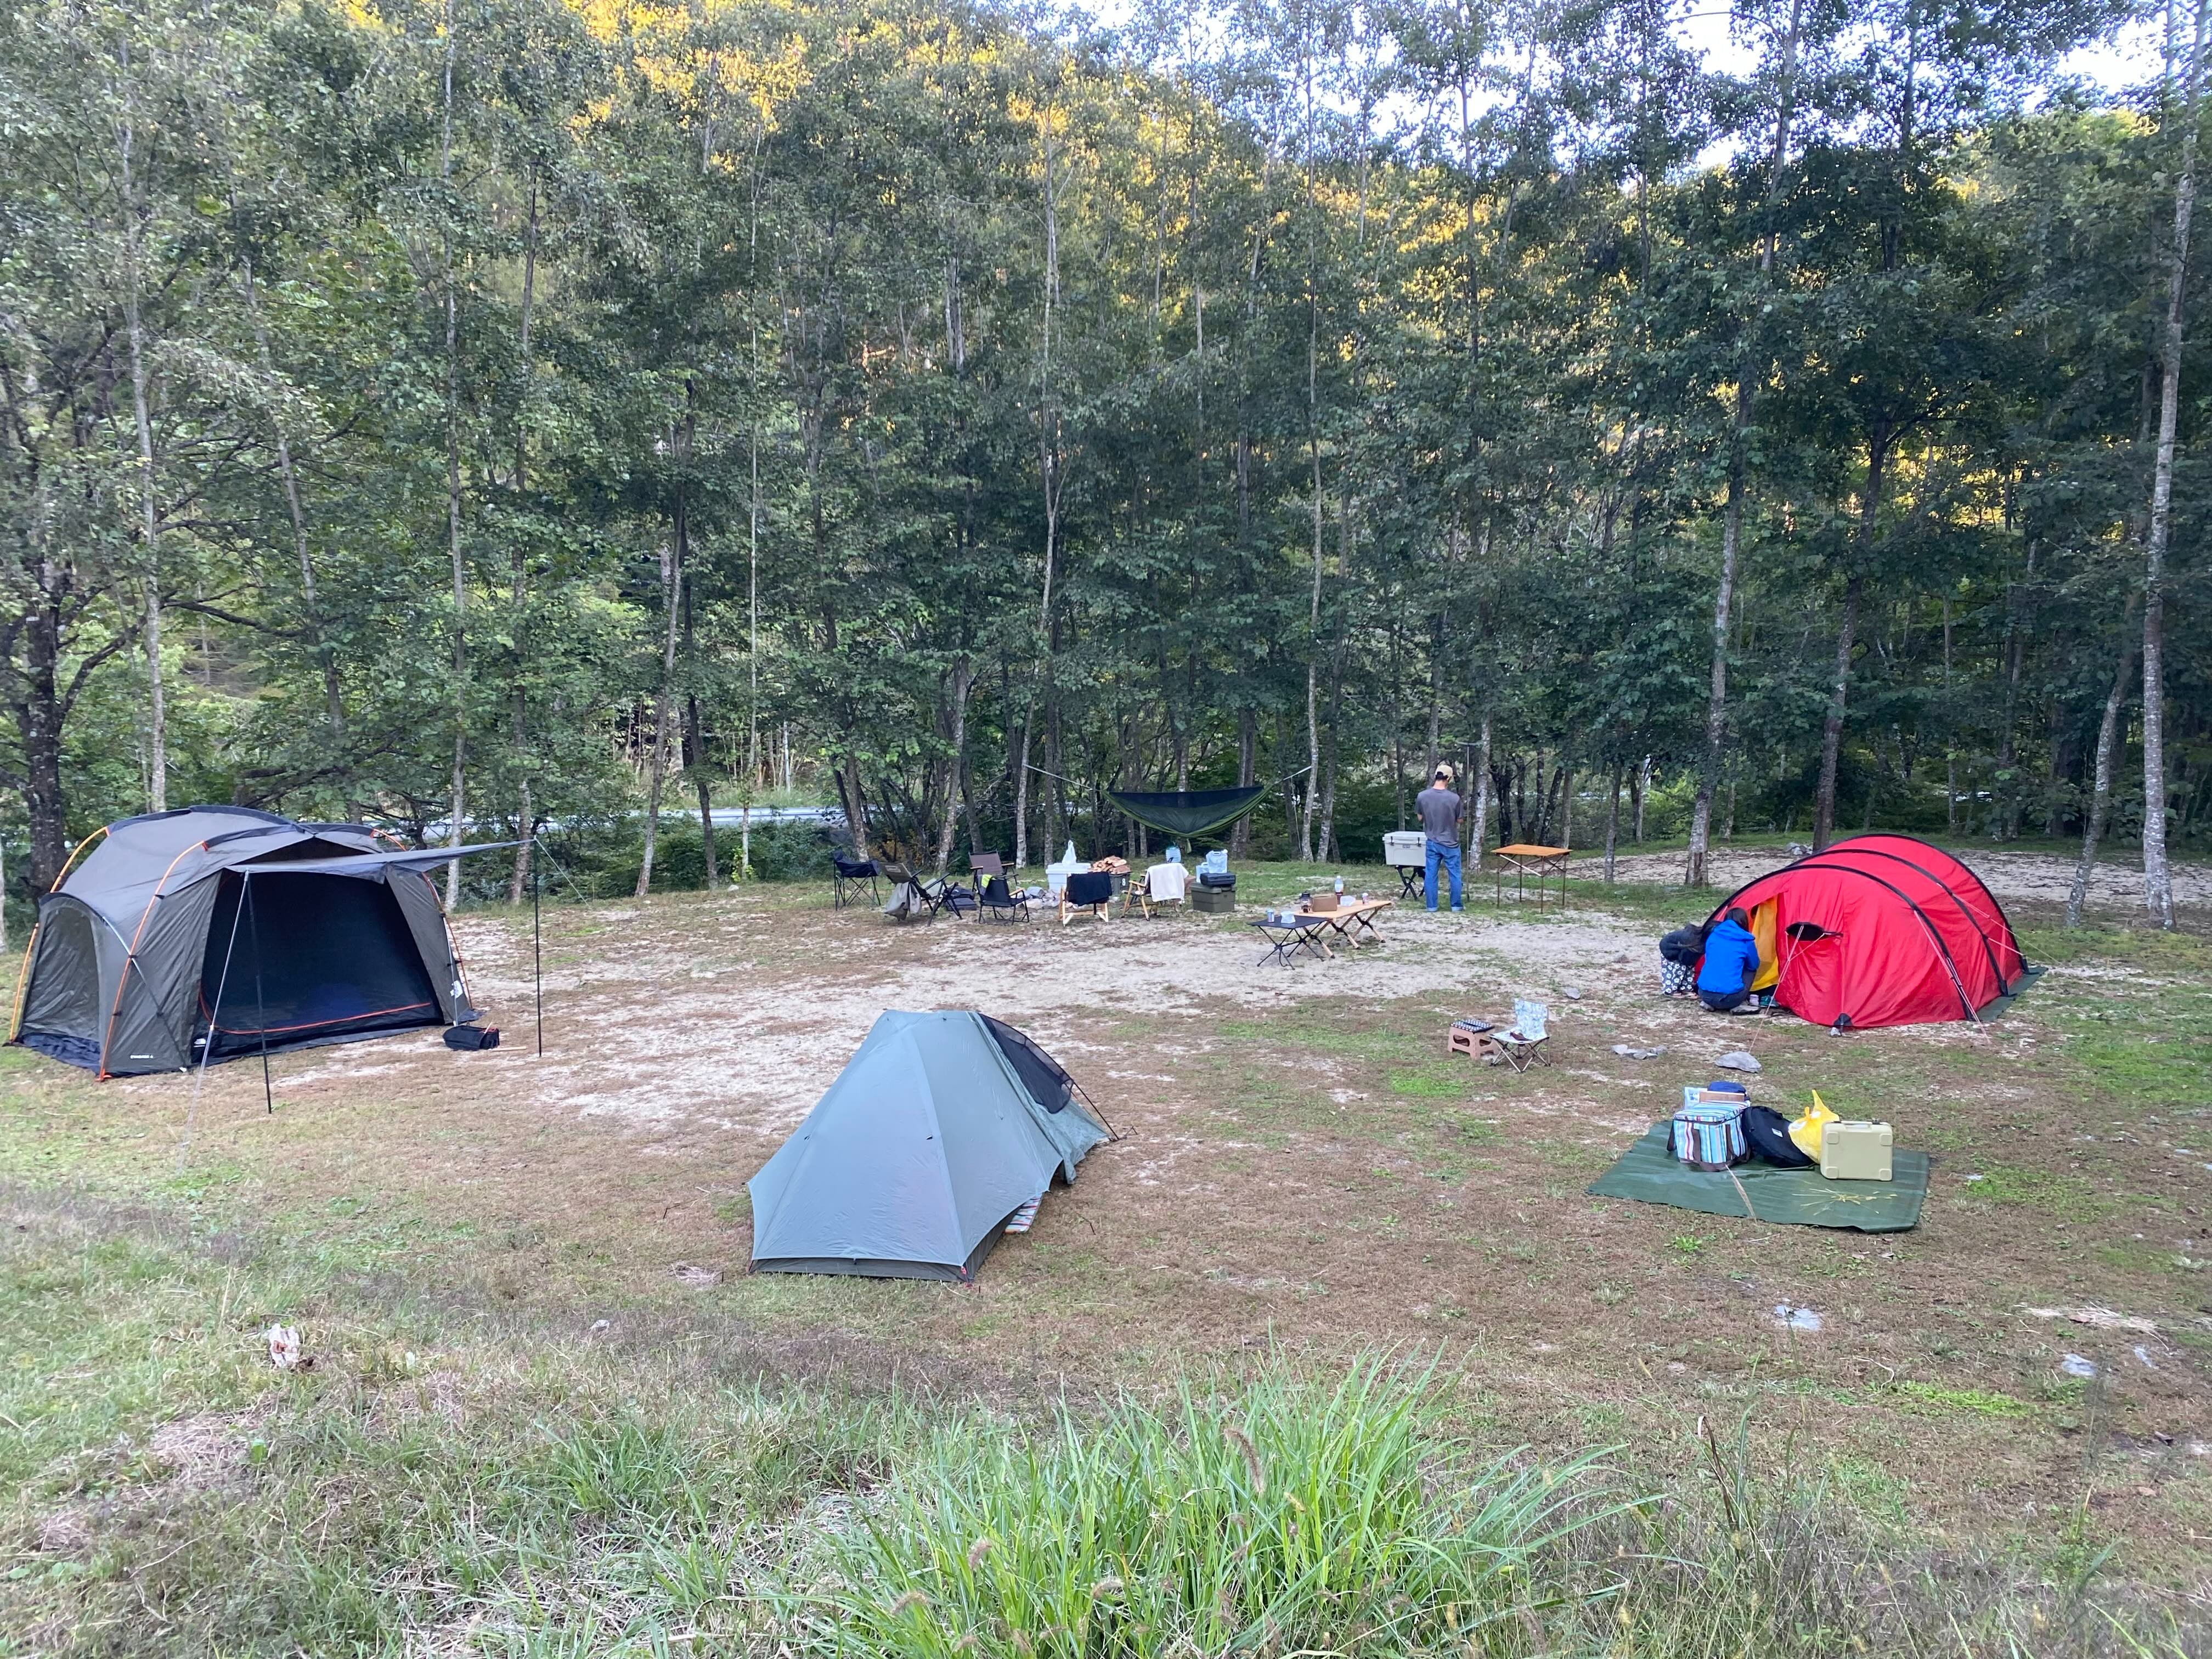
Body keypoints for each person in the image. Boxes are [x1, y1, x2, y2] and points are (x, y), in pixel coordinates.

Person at [1414, 764, 1464, 912]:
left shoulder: (1422, 796)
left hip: (1432, 841)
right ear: (1448, 779)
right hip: (1451, 843)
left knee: (1431, 874)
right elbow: (1460, 820)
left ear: (1436, 776)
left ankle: (1431, 906)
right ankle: (1456, 906)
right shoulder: (1454, 798)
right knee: (1455, 874)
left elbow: (1420, 818)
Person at [1696, 907, 1763, 1013]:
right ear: (1744, 922)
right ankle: (1737, 1004)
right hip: (1730, 998)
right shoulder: (1746, 941)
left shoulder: (1713, 935)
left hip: (1704, 993)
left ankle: (1709, 1003)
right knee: (1751, 969)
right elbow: (1754, 965)